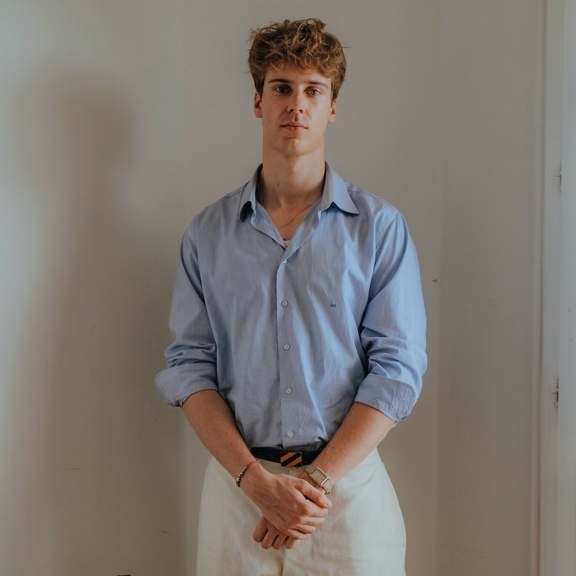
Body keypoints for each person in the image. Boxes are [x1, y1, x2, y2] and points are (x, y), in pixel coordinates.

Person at [156, 17, 426, 576]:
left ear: (332, 108)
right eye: (281, 87)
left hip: (347, 498)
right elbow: (190, 367)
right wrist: (258, 484)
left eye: (313, 90)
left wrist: (315, 484)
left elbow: (397, 370)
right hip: (239, 495)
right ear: (258, 101)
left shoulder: (379, 229)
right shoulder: (207, 234)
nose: (296, 105)